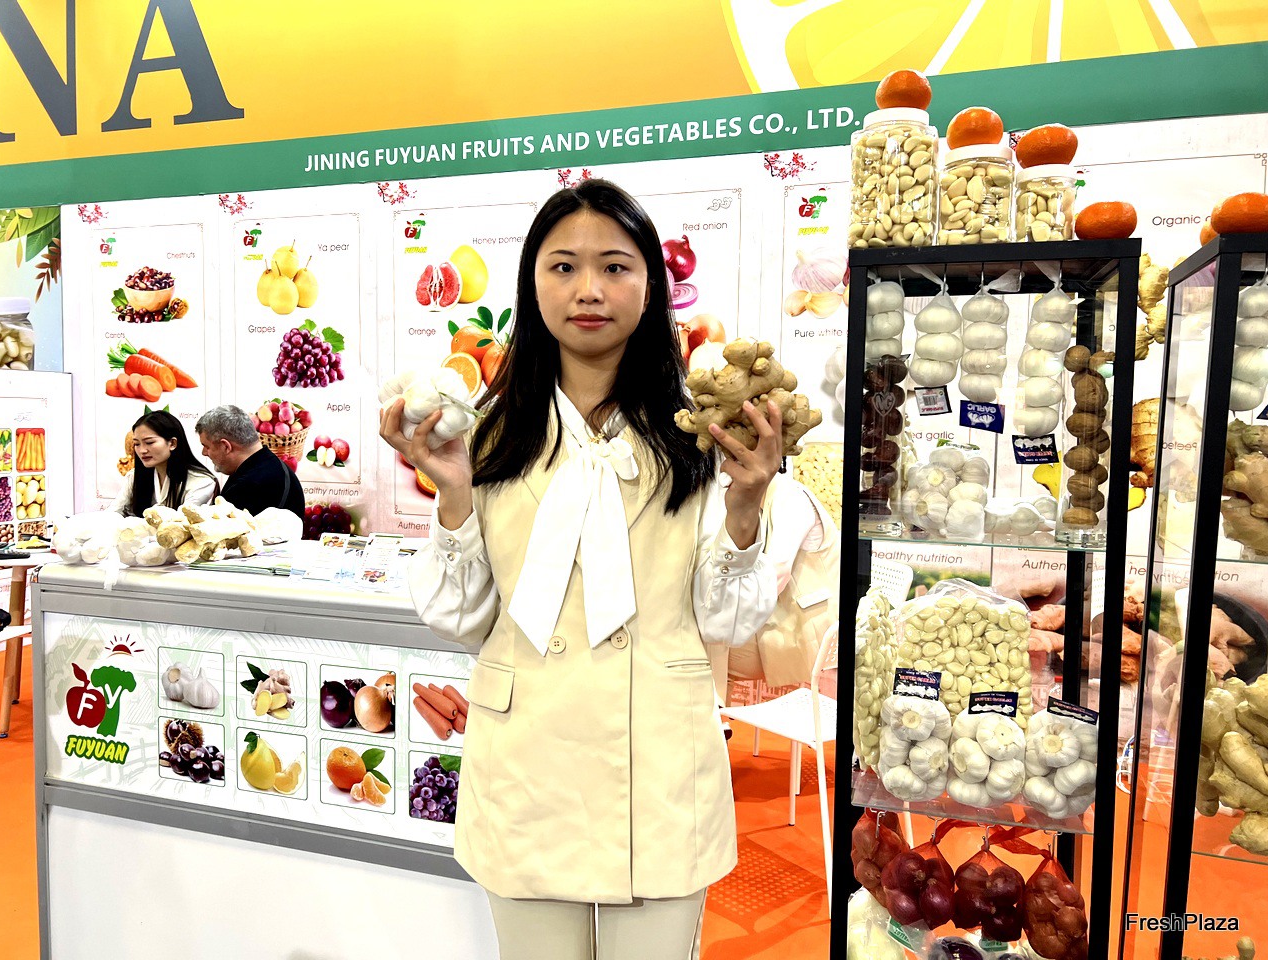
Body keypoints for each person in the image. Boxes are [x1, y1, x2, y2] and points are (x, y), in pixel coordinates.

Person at [380, 179, 783, 960]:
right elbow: (459, 618)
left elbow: (731, 620)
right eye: (563, 266)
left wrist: (745, 508)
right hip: (526, 764)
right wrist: (454, 493)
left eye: (615, 267)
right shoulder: (487, 437)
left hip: (658, 771)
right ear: (533, 284)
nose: (589, 289)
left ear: (650, 285)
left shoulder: (706, 437)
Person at [708, 474, 841, 705]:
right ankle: (714, 713)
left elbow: (776, 575)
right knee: (706, 636)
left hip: (809, 631)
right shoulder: (756, 497)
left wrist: (724, 611)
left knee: (708, 640)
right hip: (784, 621)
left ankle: (712, 715)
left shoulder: (790, 498)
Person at [196, 405, 305, 519]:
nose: (204, 453)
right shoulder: (268, 466)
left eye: (206, 446)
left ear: (226, 446)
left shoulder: (250, 486)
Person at [110, 410, 217, 517]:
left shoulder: (201, 482)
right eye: (137, 444)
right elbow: (113, 512)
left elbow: (180, 522)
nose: (142, 450)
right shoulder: (134, 477)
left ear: (172, 443)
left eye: (149, 442)